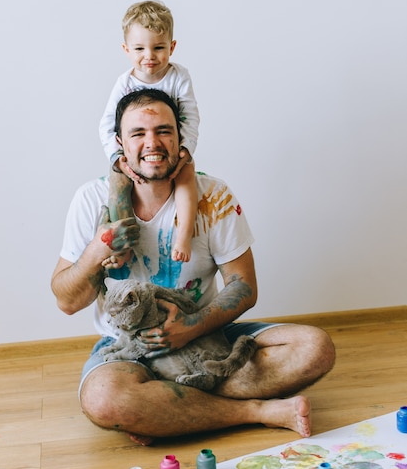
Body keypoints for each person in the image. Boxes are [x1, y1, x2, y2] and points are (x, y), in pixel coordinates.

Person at [52, 88, 335, 446]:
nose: (152, 142)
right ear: (120, 144)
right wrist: (97, 249)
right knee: (103, 398)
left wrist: (190, 327)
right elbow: (67, 301)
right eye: (138, 133)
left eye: (164, 131)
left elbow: (244, 285)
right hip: (128, 349)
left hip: (207, 340)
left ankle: (170, 410)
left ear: (180, 139)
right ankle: (258, 412)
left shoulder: (214, 194)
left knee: (315, 347)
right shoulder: (90, 199)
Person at [99, 0, 199, 263]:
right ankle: (123, 246)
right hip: (132, 156)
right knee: (117, 183)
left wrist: (185, 150)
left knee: (188, 178)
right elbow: (106, 124)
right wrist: (117, 157)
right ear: (126, 50)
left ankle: (184, 234)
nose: (149, 56)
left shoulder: (179, 77)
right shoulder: (125, 83)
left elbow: (190, 116)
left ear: (172, 47)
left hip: (171, 152)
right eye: (140, 48)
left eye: (158, 47)